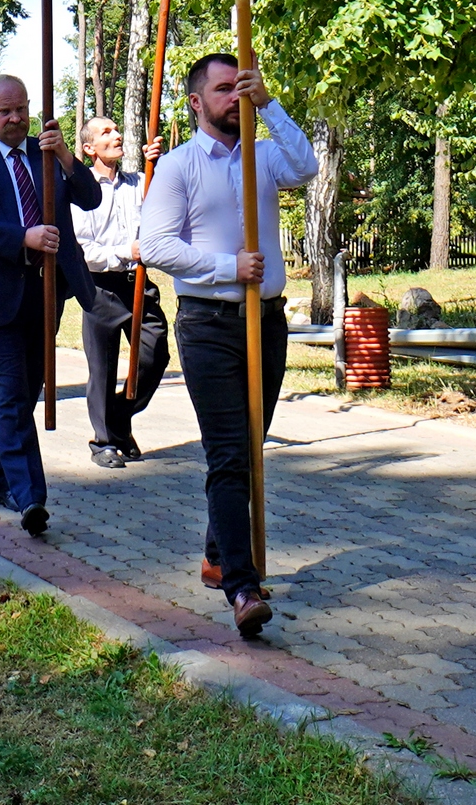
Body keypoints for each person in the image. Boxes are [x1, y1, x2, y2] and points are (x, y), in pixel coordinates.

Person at [139, 55, 319, 638]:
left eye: (240, 88)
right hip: (209, 323)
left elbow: (307, 165)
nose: (233, 98)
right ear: (196, 103)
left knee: (250, 448)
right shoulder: (178, 167)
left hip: (267, 321)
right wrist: (226, 267)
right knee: (228, 452)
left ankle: (218, 552)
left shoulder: (265, 156)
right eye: (224, 90)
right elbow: (156, 246)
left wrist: (269, 102)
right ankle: (242, 586)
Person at [0, 75, 101, 536]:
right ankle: (30, 496)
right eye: (3, 112)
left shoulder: (46, 152)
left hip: (44, 292)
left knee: (26, 392)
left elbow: (89, 199)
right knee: (11, 395)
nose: (14, 119)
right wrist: (22, 237)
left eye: (20, 110)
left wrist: (67, 156)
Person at [74, 116, 168, 469]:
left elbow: (168, 203)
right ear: (89, 148)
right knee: (103, 368)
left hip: (139, 286)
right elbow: (84, 248)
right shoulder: (82, 191)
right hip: (99, 289)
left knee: (155, 355)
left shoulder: (141, 182)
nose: (116, 137)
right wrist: (127, 251)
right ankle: (103, 442)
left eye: (116, 131)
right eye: (106, 133)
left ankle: (118, 418)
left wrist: (159, 162)